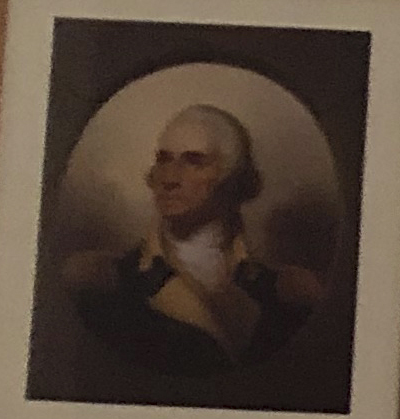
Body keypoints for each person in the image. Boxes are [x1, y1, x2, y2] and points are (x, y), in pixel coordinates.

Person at [59, 103, 324, 380]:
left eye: (194, 161)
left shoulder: (286, 293)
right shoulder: (108, 285)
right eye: (163, 159)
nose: (169, 179)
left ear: (232, 178)